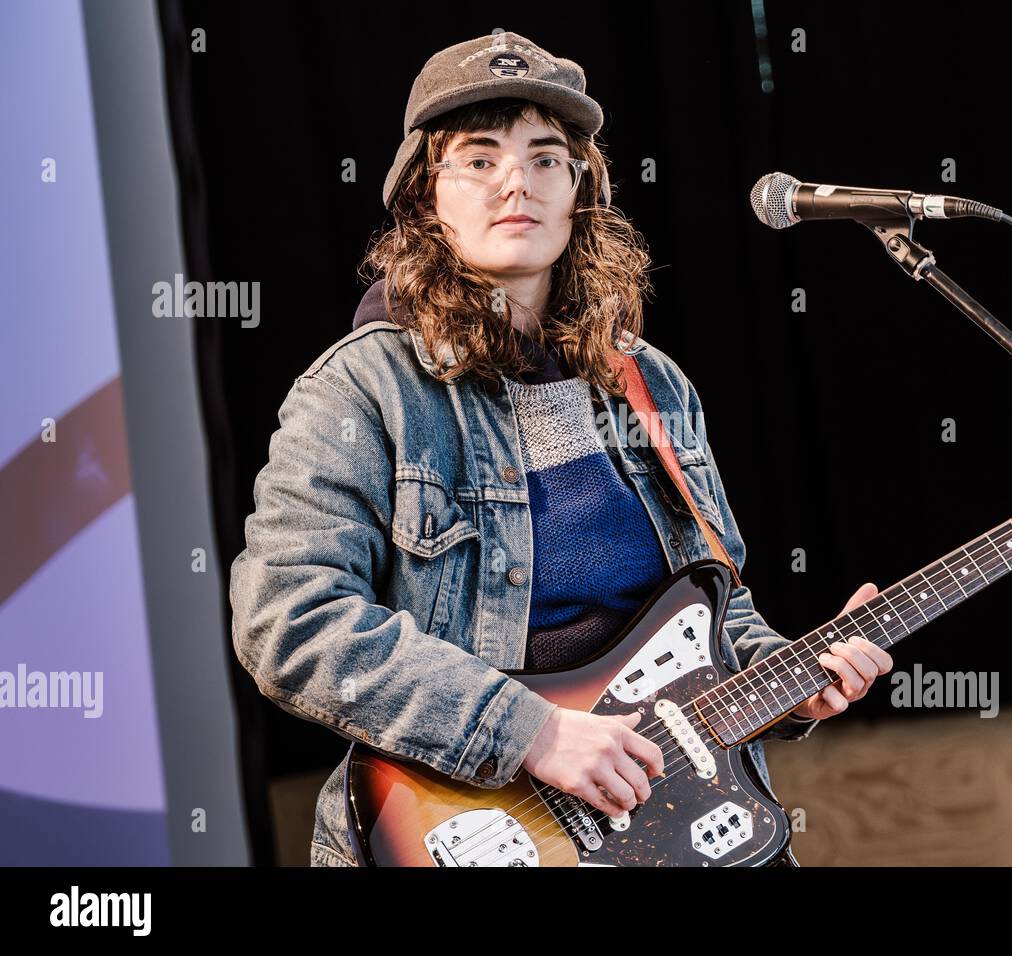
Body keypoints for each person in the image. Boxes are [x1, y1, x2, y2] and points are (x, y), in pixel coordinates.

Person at [229, 31, 892, 868]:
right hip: (471, 830)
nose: (517, 182)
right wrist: (529, 732)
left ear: (580, 189)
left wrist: (796, 678)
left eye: (547, 159)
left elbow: (719, 609)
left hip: (676, 819)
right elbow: (287, 622)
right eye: (478, 159)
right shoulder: (361, 391)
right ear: (426, 196)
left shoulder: (652, 384)